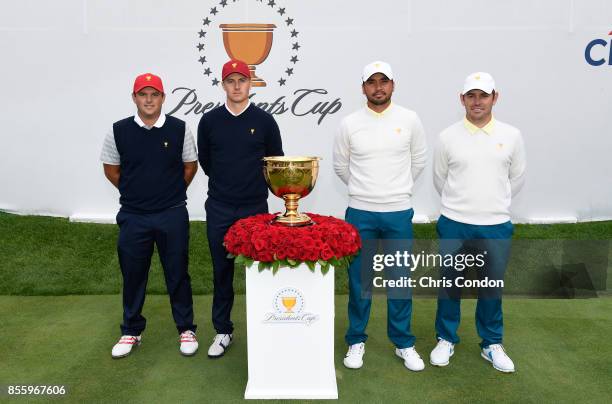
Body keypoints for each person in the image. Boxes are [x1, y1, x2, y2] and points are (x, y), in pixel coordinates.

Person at [333, 61, 428, 371]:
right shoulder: (349, 123)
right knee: (360, 283)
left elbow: (418, 161)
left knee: (400, 281)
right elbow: (341, 166)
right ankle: (356, 340)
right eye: (371, 82)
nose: (378, 87)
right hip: (360, 213)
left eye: (383, 81)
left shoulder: (410, 119)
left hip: (398, 213)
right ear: (363, 88)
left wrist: (393, 191)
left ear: (392, 85)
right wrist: (366, 191)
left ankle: (403, 343)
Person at [430, 72, 526, 373]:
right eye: (471, 96)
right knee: (450, 285)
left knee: (491, 287)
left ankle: (491, 343)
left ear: (494, 97)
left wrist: (492, 207)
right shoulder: (447, 137)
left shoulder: (511, 136)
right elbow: (439, 178)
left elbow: (516, 178)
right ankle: (446, 338)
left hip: (495, 225)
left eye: (483, 95)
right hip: (454, 222)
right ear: (462, 99)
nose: (477, 102)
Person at [101, 73, 199, 358]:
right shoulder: (118, 130)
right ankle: (131, 330)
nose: (148, 100)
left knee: (177, 273)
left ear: (162, 98)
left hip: (172, 214)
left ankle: (186, 328)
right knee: (133, 274)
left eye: (154, 94)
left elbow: (189, 166)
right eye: (143, 94)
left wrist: (168, 193)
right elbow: (111, 170)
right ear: (134, 98)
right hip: (134, 216)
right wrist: (136, 192)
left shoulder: (180, 129)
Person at [197, 59, 284, 358]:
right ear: (223, 85)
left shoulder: (265, 121)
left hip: (255, 209)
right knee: (222, 271)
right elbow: (207, 163)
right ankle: (223, 331)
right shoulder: (208, 122)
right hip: (220, 207)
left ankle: (263, 330)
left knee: (258, 272)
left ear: (250, 84)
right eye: (230, 80)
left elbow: (275, 163)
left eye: (242, 80)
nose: (236, 86)